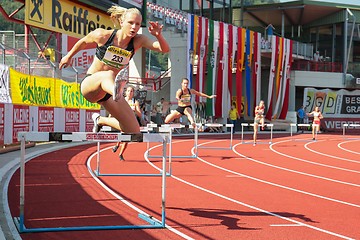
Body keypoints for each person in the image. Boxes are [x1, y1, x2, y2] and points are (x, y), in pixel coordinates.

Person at [59, 6, 170, 135]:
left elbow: (164, 49)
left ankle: (100, 120)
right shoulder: (103, 35)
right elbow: (83, 41)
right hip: (91, 84)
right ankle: (117, 91)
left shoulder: (138, 41)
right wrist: (68, 56)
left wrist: (159, 36)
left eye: (138, 24)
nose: (134, 27)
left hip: (108, 95)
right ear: (121, 22)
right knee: (109, 74)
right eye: (131, 23)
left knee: (134, 131)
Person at [112, 86, 142, 160]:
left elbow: (140, 114)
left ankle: (120, 154)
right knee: (123, 134)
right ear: (125, 92)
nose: (129, 93)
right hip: (122, 120)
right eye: (128, 91)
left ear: (133, 93)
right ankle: (117, 145)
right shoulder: (122, 100)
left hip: (130, 122)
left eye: (131, 91)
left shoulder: (135, 102)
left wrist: (135, 110)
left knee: (126, 139)